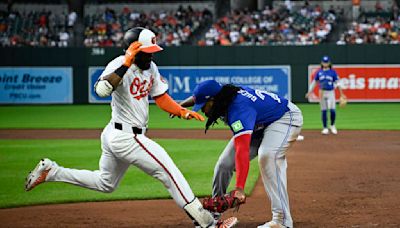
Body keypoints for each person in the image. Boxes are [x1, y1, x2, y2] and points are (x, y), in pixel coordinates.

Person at [24, 27, 237, 228]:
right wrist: (126, 62)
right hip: (125, 137)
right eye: (147, 52)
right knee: (169, 172)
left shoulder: (150, 67)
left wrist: (181, 111)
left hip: (119, 135)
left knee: (106, 183)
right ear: (133, 50)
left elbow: (160, 97)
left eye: (153, 51)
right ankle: (208, 223)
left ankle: (52, 171)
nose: (151, 55)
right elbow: (100, 91)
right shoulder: (118, 65)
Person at [179, 80, 303, 228]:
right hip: (259, 125)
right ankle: (213, 216)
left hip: (284, 118)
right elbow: (196, 98)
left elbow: (242, 150)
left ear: (213, 100)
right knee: (224, 165)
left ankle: (282, 220)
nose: (203, 110)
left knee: (268, 156)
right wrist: (178, 107)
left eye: (204, 106)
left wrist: (239, 188)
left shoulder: (238, 109)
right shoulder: (222, 96)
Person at [305, 55, 346, 135]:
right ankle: (325, 128)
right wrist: (309, 92)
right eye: (324, 62)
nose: (325, 63)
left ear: (329, 63)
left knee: (332, 110)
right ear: (322, 63)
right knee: (323, 110)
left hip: (330, 92)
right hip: (322, 92)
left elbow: (338, 83)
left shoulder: (333, 72)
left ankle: (332, 125)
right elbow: (314, 83)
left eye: (326, 62)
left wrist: (342, 93)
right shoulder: (319, 72)